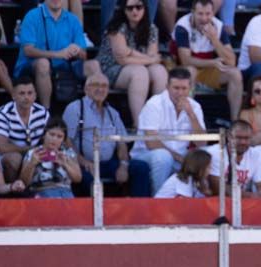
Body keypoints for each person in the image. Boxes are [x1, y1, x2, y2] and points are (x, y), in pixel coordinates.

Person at [63, 72, 150, 197]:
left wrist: (123, 166)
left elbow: (122, 143)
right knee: (86, 179)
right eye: (95, 85)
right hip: (85, 163)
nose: (100, 89)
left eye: (104, 86)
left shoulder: (112, 113)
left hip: (108, 163)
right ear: (86, 89)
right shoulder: (75, 108)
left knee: (141, 168)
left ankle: (139, 210)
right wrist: (83, 162)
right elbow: (67, 141)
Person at [92, 0, 167, 128]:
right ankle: (140, 124)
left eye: (138, 7)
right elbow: (122, 60)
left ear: (144, 9)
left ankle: (157, 121)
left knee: (159, 71)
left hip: (136, 66)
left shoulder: (152, 28)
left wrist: (130, 52)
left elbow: (153, 58)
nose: (135, 11)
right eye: (130, 8)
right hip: (111, 68)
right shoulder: (116, 27)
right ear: (124, 10)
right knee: (140, 72)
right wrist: (148, 59)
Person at [175, 0, 243, 121]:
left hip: (208, 71)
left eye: (208, 14)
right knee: (190, 71)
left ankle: (235, 121)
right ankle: (186, 119)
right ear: (193, 13)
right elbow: (185, 60)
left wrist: (214, 39)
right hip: (184, 70)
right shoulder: (182, 26)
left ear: (213, 13)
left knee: (235, 74)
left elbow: (231, 61)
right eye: (200, 14)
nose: (204, 18)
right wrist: (212, 62)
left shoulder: (218, 26)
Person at [14, 0, 87, 107]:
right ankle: (46, 112)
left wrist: (76, 50)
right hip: (29, 68)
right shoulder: (32, 16)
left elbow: (83, 53)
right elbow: (28, 50)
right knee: (43, 64)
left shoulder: (73, 19)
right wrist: (58, 54)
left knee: (92, 65)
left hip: (63, 69)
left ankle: (87, 112)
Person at [0, 75, 49, 182]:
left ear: (35, 95)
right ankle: (13, 193)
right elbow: (2, 147)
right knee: (14, 159)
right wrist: (29, 150)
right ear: (14, 95)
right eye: (22, 93)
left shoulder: (43, 112)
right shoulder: (2, 114)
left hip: (34, 152)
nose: (26, 97)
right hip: (11, 156)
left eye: (30, 93)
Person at [19, 116, 79, 197]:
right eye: (51, 134)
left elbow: (78, 178)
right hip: (41, 191)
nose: (54, 139)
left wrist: (65, 165)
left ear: (63, 140)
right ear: (44, 135)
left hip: (65, 192)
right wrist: (32, 164)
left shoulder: (68, 153)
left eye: (59, 136)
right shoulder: (33, 153)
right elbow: (24, 182)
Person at [204, 118, 260, 192]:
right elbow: (217, 187)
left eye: (246, 138)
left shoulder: (255, 154)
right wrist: (248, 196)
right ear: (229, 136)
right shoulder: (214, 153)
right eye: (238, 138)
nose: (243, 142)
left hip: (243, 201)